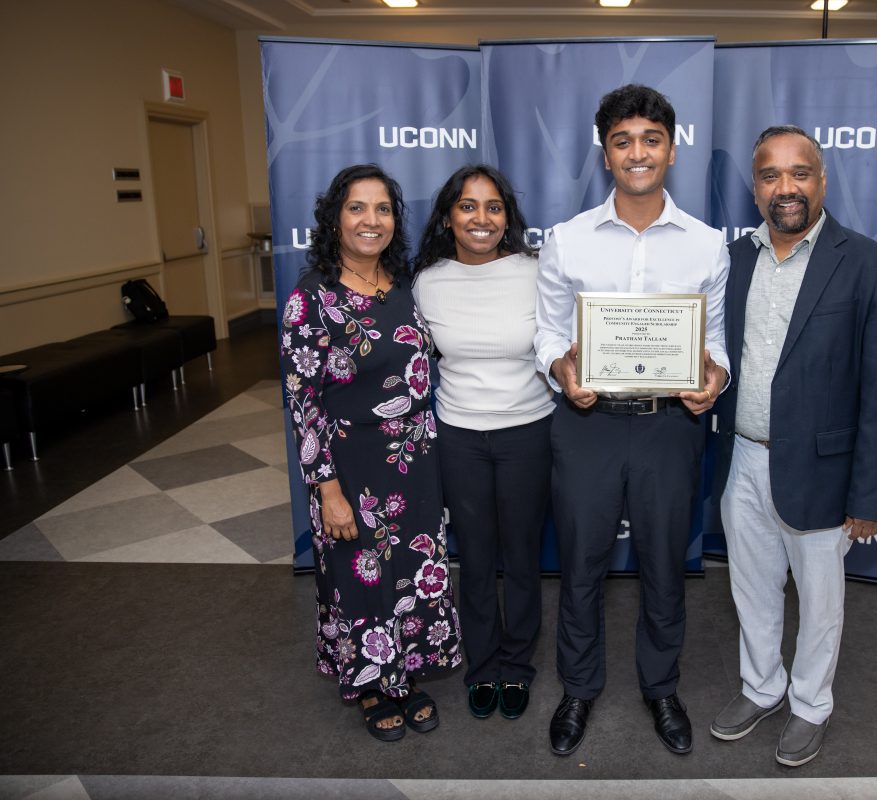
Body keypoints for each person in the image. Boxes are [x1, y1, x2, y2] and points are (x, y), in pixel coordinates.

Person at [534, 84, 730, 757]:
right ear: (605, 151)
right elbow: (547, 335)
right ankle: (579, 689)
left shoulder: (706, 246)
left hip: (669, 427)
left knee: (663, 567)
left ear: (671, 150)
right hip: (585, 426)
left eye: (650, 139)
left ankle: (661, 686)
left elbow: (719, 342)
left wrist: (715, 379)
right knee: (581, 567)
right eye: (622, 140)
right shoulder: (566, 241)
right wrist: (562, 371)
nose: (637, 152)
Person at [708, 126, 877, 766]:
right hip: (741, 456)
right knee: (752, 588)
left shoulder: (871, 264)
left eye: (800, 173)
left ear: (822, 180)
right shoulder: (734, 260)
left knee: (821, 602)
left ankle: (810, 704)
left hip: (823, 467)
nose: (785, 187)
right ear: (756, 186)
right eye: (770, 175)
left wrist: (871, 495)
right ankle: (761, 688)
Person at [280, 164, 462, 742]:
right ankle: (371, 685)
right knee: (361, 579)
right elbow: (303, 405)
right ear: (335, 217)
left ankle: (403, 672)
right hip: (349, 470)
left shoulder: (405, 284)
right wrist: (327, 489)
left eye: (383, 209)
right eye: (357, 207)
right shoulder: (312, 298)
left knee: (411, 570)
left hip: (413, 462)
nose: (371, 220)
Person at [411, 164, 553, 722]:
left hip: (528, 431)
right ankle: (481, 666)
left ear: (507, 217)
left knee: (520, 558)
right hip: (459, 435)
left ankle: (516, 666)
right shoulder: (427, 281)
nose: (481, 218)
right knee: (472, 560)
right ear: (449, 217)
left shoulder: (536, 271)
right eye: (468, 206)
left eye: (493, 207)